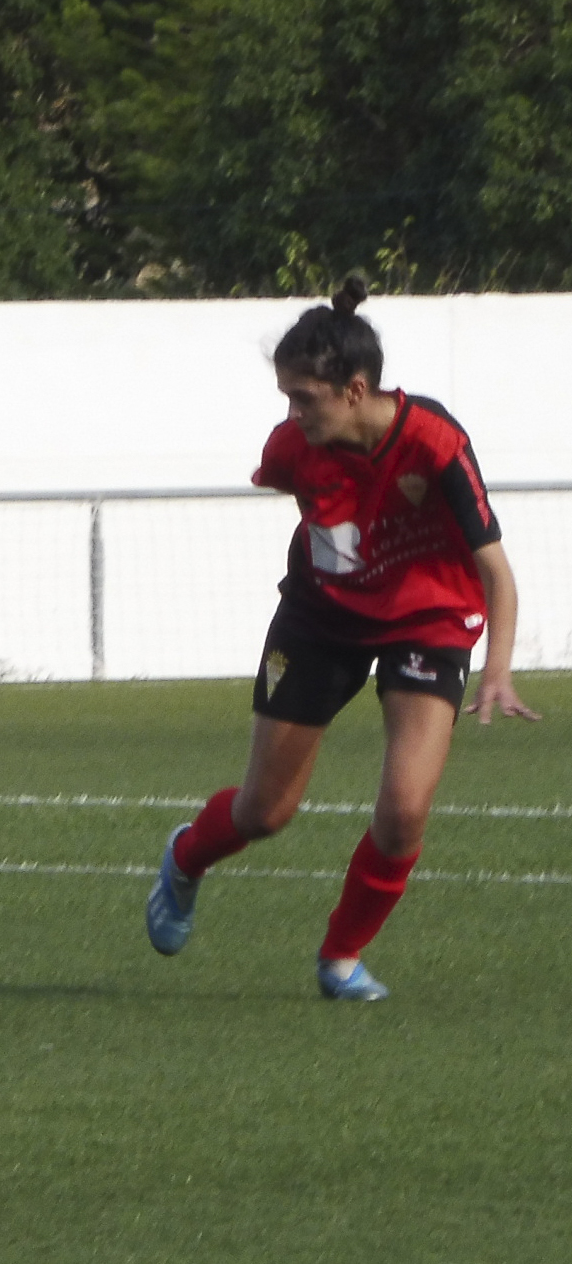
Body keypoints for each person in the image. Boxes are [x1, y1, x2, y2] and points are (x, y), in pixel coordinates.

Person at [144, 278, 535, 1001]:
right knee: (265, 812)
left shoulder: (434, 441)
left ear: (355, 390)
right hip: (319, 621)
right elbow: (310, 501)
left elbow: (497, 572)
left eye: (304, 398)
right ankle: (186, 857)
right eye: (286, 398)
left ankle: (341, 957)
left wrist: (498, 671)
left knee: (404, 811)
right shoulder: (292, 447)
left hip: (427, 622)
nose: (292, 414)